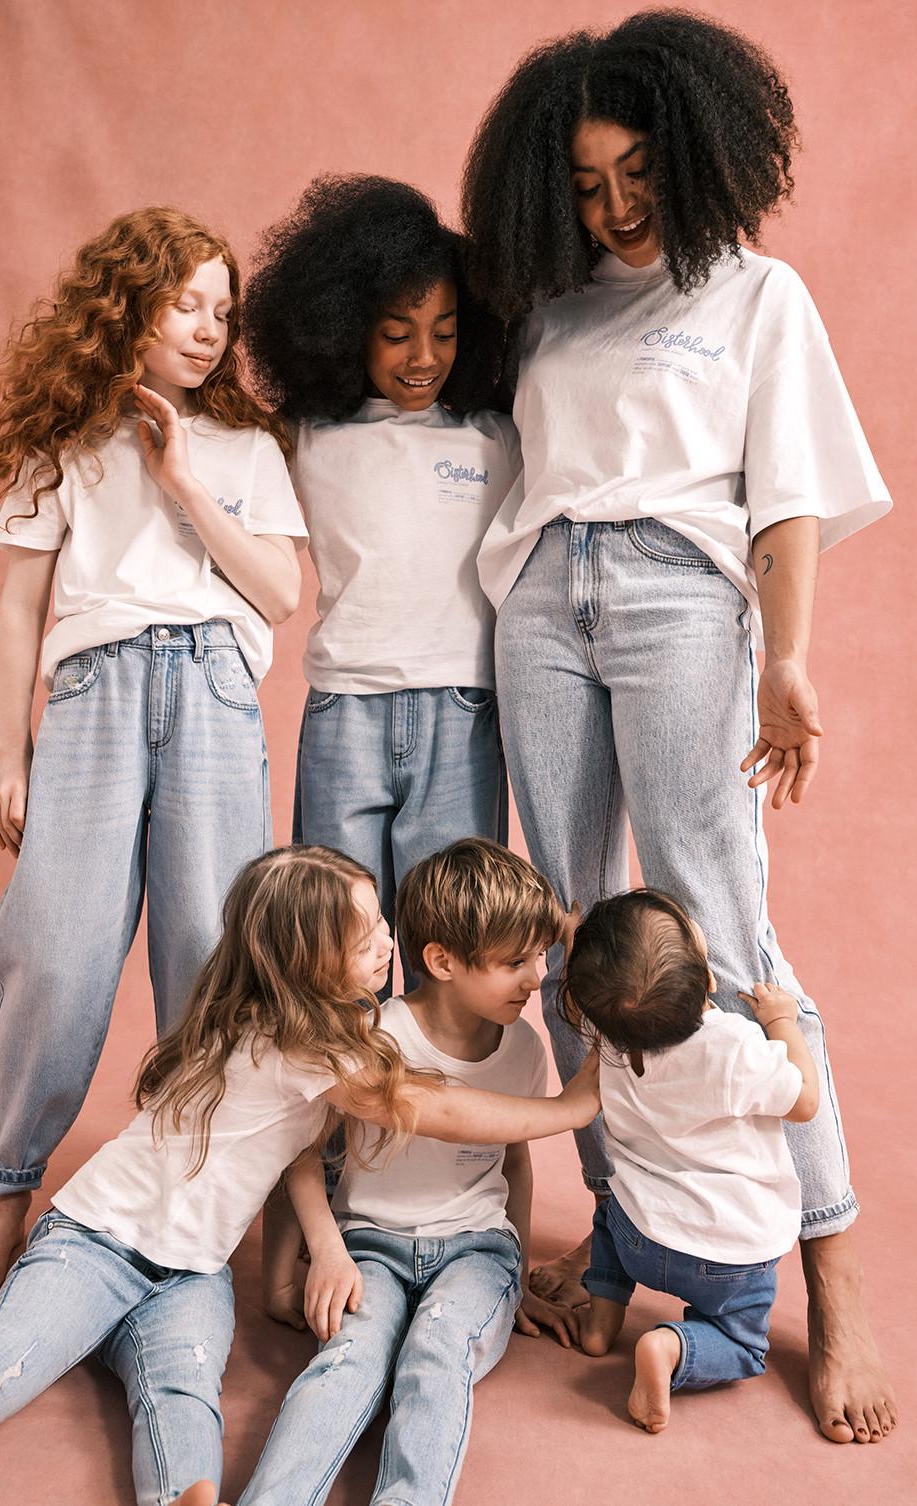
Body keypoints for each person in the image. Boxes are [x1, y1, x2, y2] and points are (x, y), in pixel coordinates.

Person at [460, 10, 896, 1443]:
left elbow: (786, 503)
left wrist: (788, 659)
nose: (613, 205)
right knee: (574, 937)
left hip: (676, 599)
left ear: (694, 151)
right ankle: (624, 1245)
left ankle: (830, 1283)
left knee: (726, 934)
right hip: (542, 604)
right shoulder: (551, 301)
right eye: (583, 183)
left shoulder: (755, 295)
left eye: (636, 170)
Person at [0, 846, 602, 1503]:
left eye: (382, 926)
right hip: (97, 1242)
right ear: (311, 963)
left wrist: (319, 1252)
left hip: (194, 1269)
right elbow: (429, 1107)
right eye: (368, 940)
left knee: (184, 1393)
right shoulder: (302, 1041)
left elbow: (296, 1149)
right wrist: (568, 1110)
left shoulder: (330, 1033)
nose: (389, 945)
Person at [0, 207, 307, 1306]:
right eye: (183, 302)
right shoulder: (65, 446)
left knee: (209, 950)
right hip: (94, 695)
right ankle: (10, 1190)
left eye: (220, 311)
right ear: (126, 303)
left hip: (214, 696)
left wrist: (187, 481)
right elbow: (19, 613)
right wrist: (13, 752)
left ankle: (191, 1184)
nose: (205, 329)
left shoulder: (244, 446)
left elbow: (280, 595)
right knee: (56, 946)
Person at [236, 839, 575, 1506]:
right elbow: (301, 1148)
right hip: (372, 1246)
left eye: (540, 956)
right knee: (349, 1361)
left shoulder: (526, 1050)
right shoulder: (375, 1039)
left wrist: (517, 1277)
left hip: (478, 1249)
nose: (537, 977)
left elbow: (516, 1161)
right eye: (516, 962)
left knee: (437, 1354)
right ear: (442, 961)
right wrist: (310, 1260)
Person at [241, 175, 520, 988]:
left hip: (464, 715)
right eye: (397, 333)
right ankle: (347, 1118)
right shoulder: (305, 437)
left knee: (453, 948)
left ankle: (446, 1117)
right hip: (343, 718)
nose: (424, 357)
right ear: (343, 331)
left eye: (443, 331)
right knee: (332, 953)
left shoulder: (494, 436)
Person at [561, 889, 819, 1432]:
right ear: (708, 982)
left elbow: (596, 998)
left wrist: (572, 944)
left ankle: (602, 1319)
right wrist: (784, 1024)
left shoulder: (607, 1041)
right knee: (745, 1344)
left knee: (609, 1212)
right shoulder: (734, 1047)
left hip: (638, 1238)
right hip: (728, 1259)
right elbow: (805, 1103)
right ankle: (672, 1350)